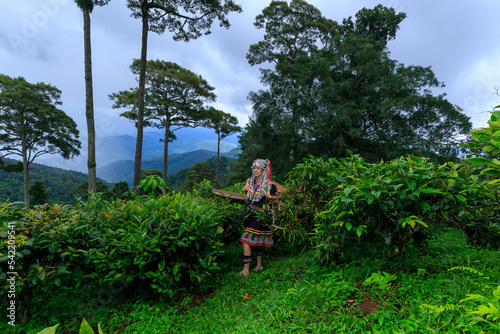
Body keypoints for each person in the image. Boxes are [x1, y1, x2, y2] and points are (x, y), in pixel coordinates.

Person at [239, 158, 280, 276]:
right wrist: (244, 189)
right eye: (254, 168)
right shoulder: (250, 182)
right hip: (250, 213)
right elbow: (247, 195)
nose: (255, 170)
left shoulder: (269, 185)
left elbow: (280, 198)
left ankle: (246, 269)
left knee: (246, 240)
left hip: (261, 215)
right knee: (257, 240)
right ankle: (259, 265)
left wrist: (270, 197)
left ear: (264, 170)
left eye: (258, 168)